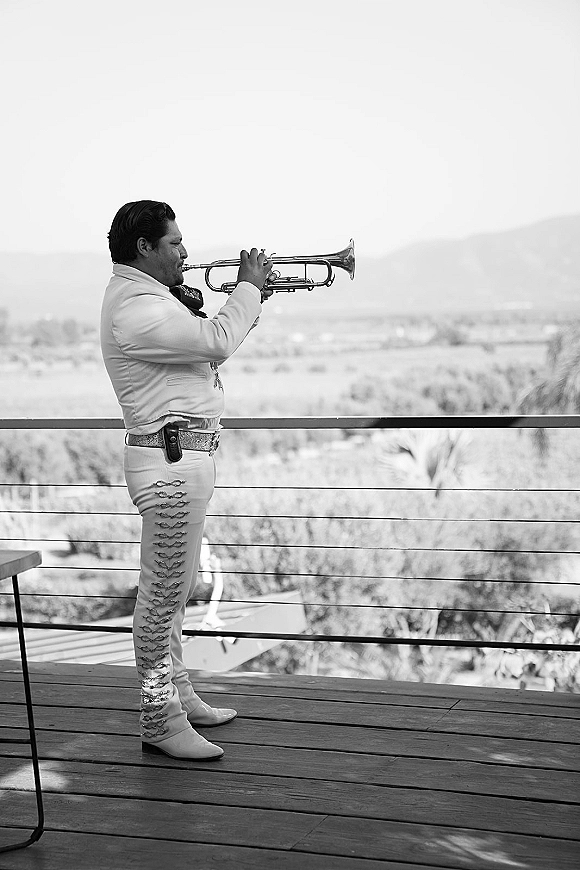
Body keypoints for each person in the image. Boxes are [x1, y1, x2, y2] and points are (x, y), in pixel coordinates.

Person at [100, 200, 272, 760]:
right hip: (169, 466)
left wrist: (248, 298)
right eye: (175, 243)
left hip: (180, 461)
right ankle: (158, 717)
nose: (185, 252)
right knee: (161, 594)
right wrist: (246, 288)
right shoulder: (134, 306)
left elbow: (204, 339)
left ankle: (178, 694)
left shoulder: (148, 299)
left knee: (176, 589)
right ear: (145, 248)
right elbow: (215, 340)